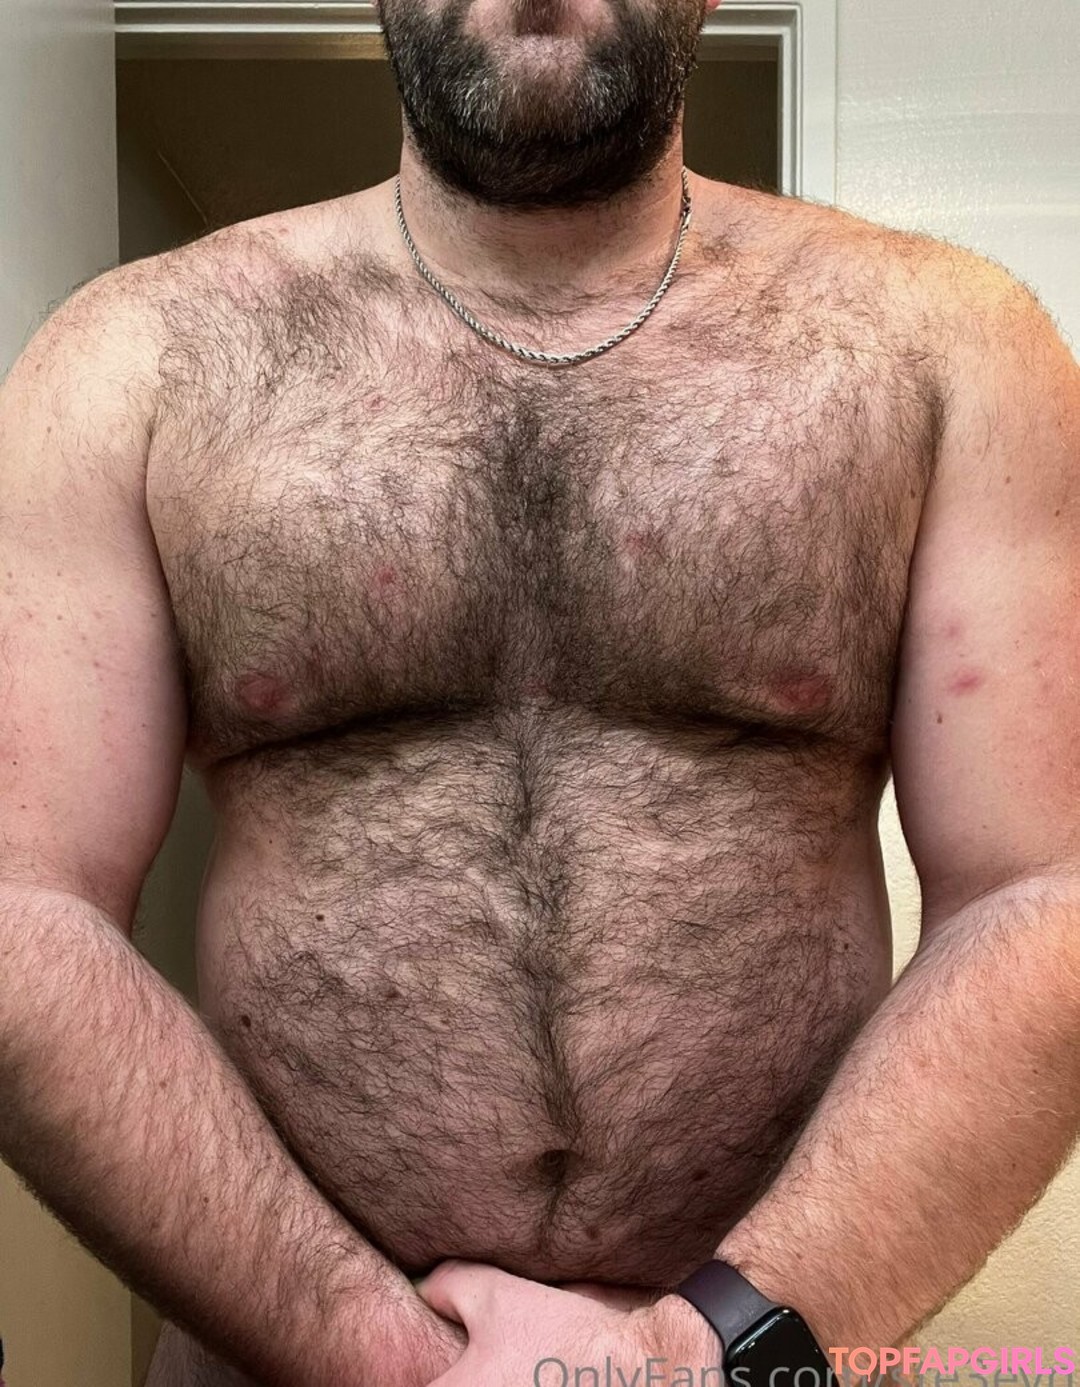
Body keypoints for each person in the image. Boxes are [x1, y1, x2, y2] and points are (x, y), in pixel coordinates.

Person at [1, 0, 1078, 1379]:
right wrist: (371, 1349)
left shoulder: (946, 347)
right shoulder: (132, 364)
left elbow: (1042, 895)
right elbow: (24, 906)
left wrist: (711, 1350)